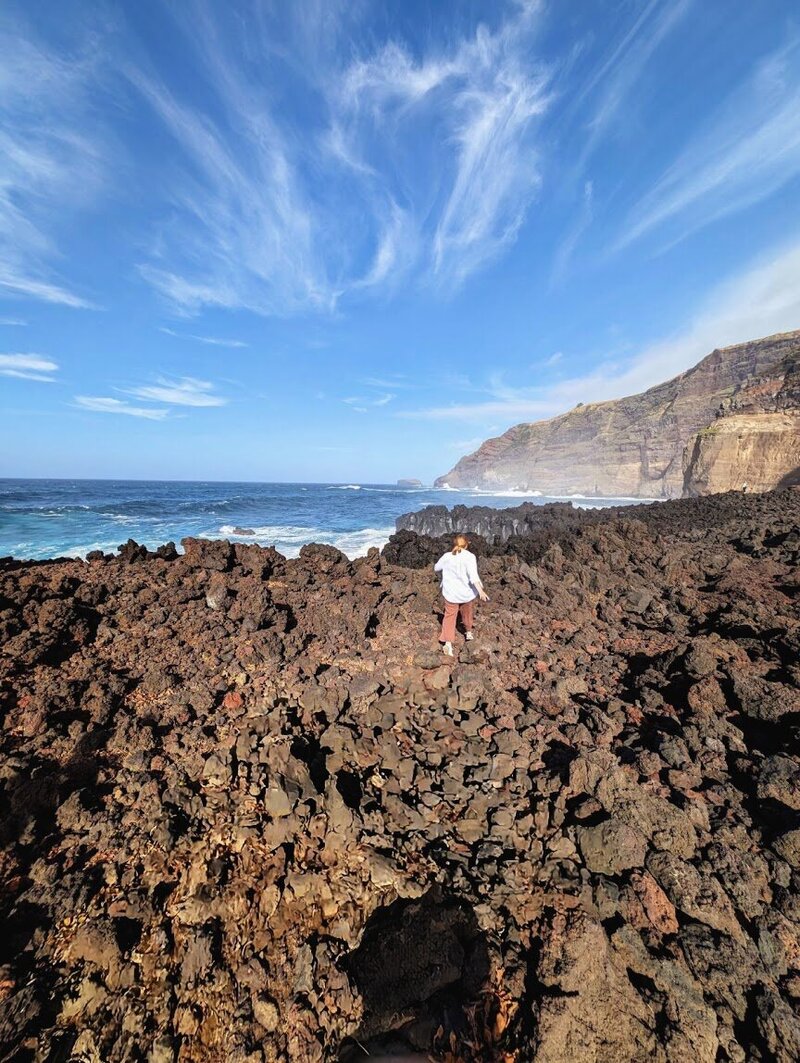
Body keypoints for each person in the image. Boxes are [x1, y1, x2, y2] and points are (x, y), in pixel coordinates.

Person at [434, 534, 488, 656]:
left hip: (451, 593)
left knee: (449, 616)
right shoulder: (470, 557)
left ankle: (448, 644)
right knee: (467, 612)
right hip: (466, 593)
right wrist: (480, 591)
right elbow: (473, 576)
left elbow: (436, 568)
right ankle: (468, 632)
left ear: (454, 544)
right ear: (467, 544)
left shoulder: (447, 556)